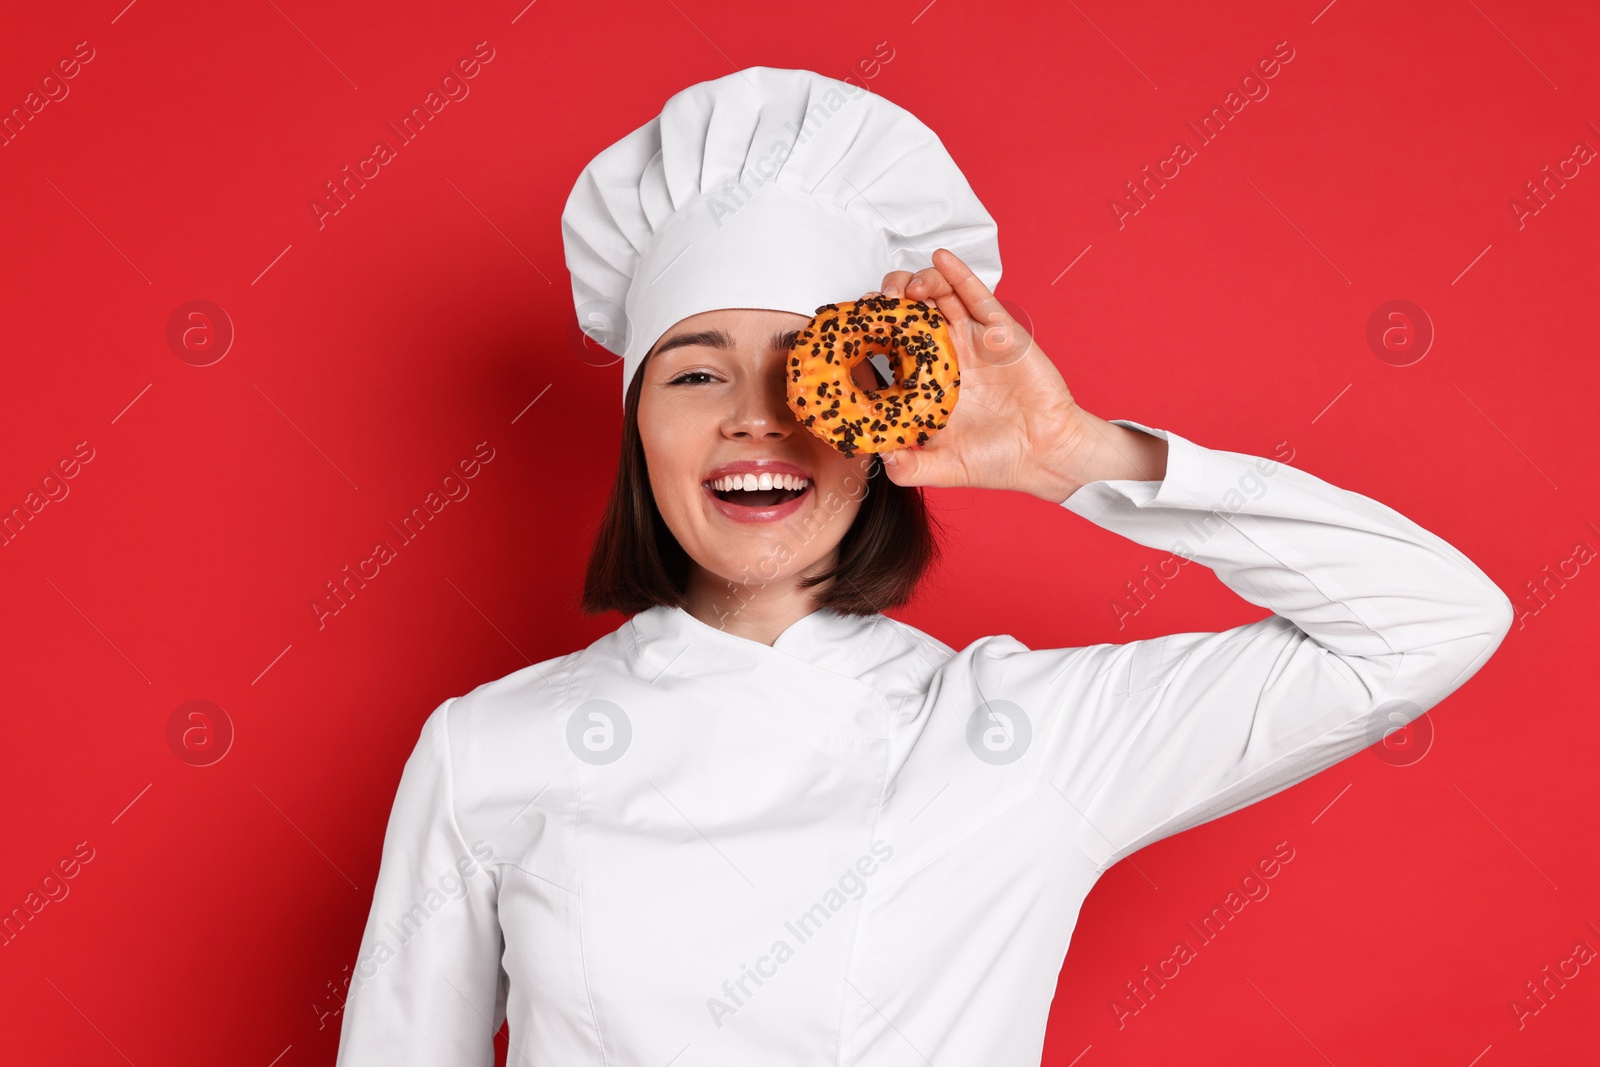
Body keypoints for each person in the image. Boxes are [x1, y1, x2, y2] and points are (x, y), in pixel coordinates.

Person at [334, 67, 1512, 1065]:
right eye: (695, 372)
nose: (755, 417)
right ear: (640, 429)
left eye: (806, 370)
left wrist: (1072, 452)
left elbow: (1430, 620)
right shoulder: (486, 746)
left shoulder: (1029, 735)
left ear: (875, 410)